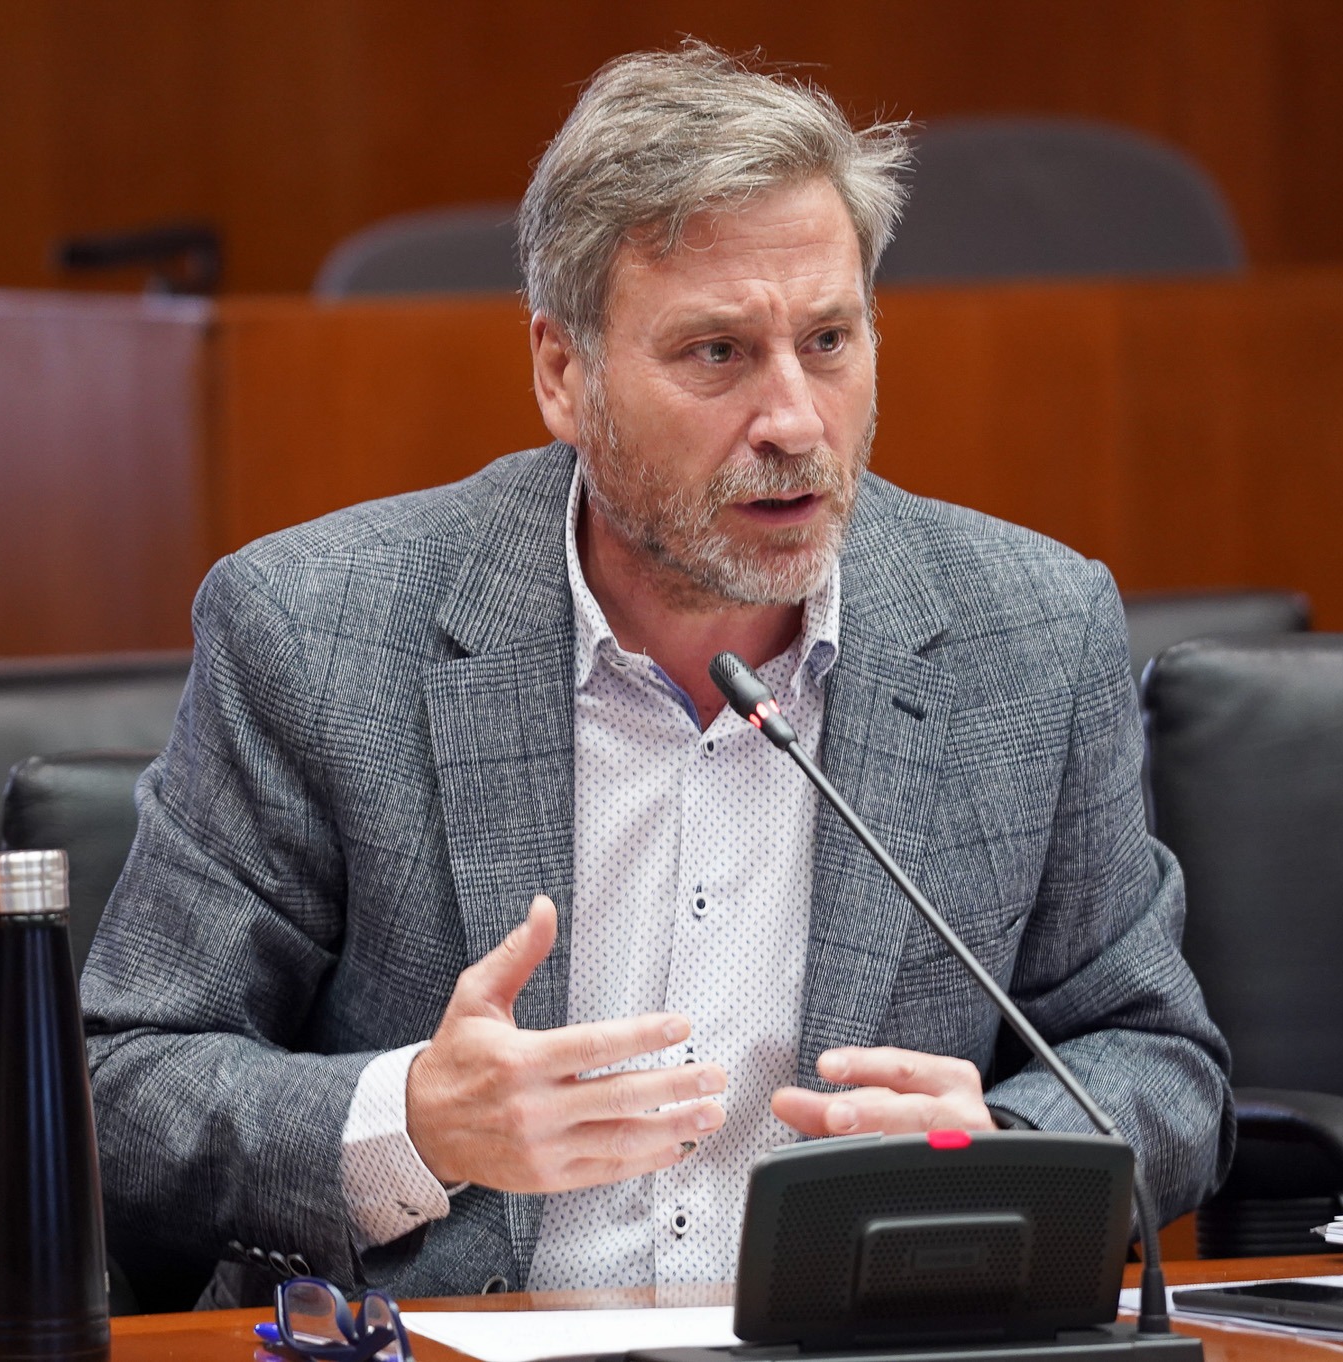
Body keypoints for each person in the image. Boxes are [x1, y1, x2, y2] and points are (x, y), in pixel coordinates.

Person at [83, 42, 1234, 1308]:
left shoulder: (1029, 633)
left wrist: (999, 1149)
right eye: (715, 353)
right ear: (561, 374)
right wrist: (412, 1123)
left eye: (828, 339)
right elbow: (119, 1086)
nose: (793, 420)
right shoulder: (317, 632)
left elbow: (1156, 1062)